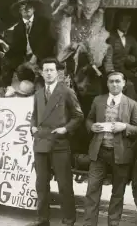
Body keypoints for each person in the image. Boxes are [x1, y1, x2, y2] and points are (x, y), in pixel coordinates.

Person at [28, 58, 84, 226]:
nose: (49, 73)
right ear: (41, 72)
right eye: (46, 70)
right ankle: (43, 219)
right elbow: (34, 115)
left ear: (58, 72)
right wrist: (32, 127)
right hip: (40, 143)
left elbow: (78, 115)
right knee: (41, 184)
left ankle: (68, 220)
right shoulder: (38, 93)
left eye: (52, 70)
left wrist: (65, 129)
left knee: (64, 184)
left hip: (59, 143)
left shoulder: (66, 91)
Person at [83, 72, 137, 226]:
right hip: (99, 152)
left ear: (124, 84)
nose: (114, 84)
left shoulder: (131, 104)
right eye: (111, 82)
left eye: (117, 81)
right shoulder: (98, 101)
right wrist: (92, 126)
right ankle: (89, 224)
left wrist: (124, 127)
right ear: (107, 84)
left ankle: (113, 223)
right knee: (92, 191)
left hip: (121, 154)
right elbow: (89, 119)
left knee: (118, 193)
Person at [4, 0, 56, 91]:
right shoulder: (18, 28)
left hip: (43, 57)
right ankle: (6, 89)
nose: (26, 9)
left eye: (29, 6)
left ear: (34, 8)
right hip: (26, 60)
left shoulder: (44, 22)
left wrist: (36, 56)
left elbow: (49, 41)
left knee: (43, 85)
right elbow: (16, 48)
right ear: (19, 11)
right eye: (22, 7)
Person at [103, 12, 137, 102]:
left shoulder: (130, 39)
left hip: (124, 72)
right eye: (124, 21)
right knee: (129, 86)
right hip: (111, 73)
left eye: (129, 21)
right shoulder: (110, 37)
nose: (126, 24)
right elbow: (106, 60)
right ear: (118, 22)